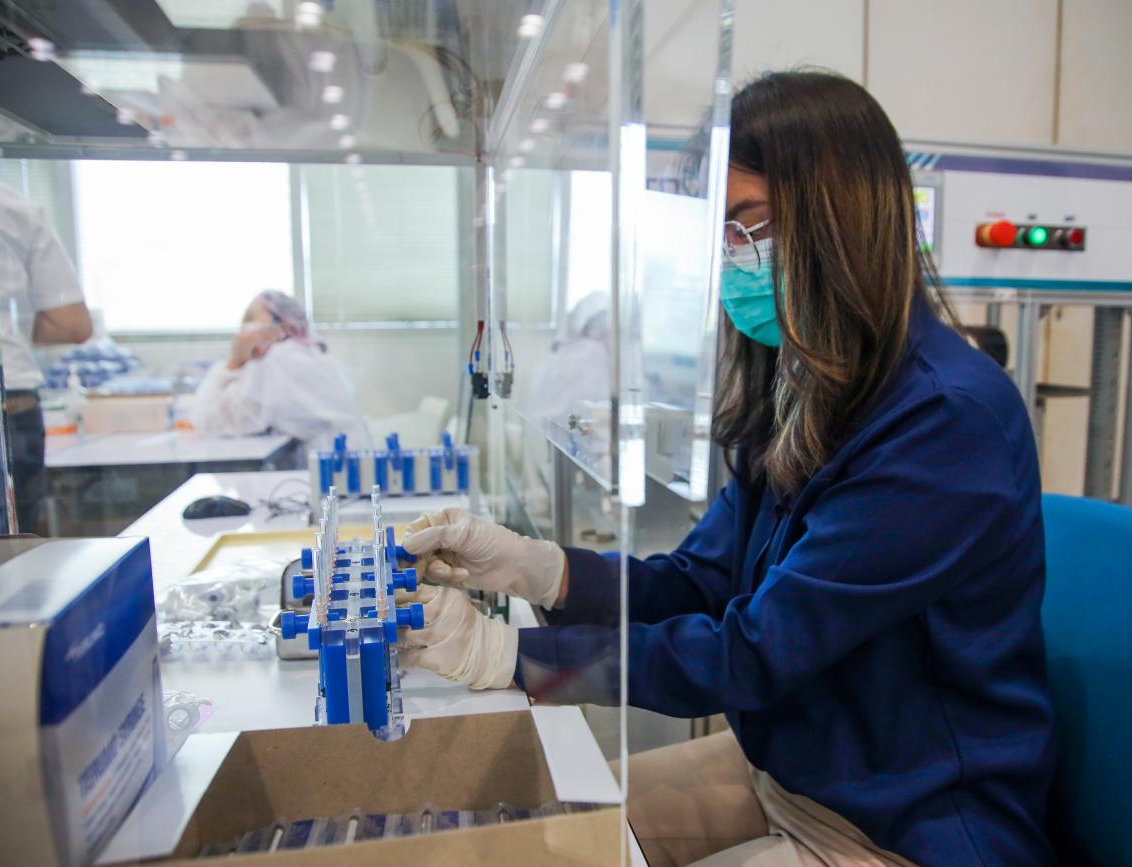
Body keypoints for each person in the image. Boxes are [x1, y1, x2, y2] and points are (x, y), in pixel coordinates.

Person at [397, 71, 1056, 867]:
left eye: (751, 228)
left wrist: (517, 658)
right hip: (793, 772)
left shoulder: (943, 421)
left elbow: (753, 650)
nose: (732, 262)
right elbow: (701, 580)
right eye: (719, 237)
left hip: (906, 824)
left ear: (842, 222)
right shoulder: (805, 383)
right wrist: (542, 571)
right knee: (541, 839)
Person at [0, 183, 92, 536]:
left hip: (1, 399)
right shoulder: (10, 206)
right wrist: (4, 328)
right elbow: (72, 324)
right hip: (2, 394)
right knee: (3, 564)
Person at [191, 290, 367, 453]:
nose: (243, 328)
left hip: (331, 463)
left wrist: (234, 362)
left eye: (251, 318)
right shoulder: (307, 355)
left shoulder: (275, 360)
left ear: (282, 327)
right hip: (350, 453)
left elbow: (211, 421)